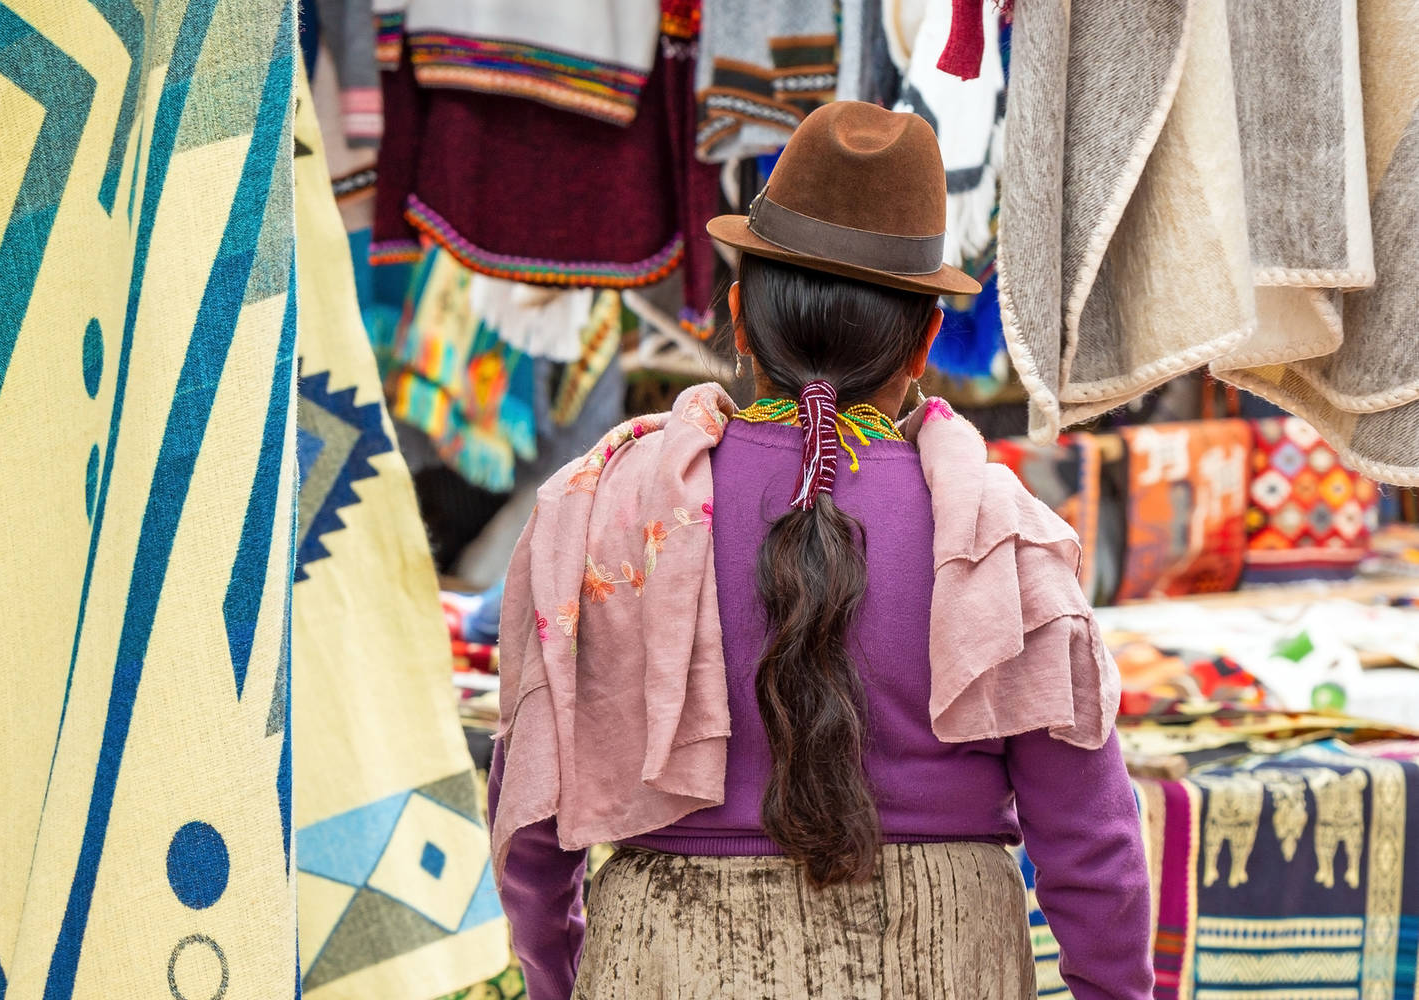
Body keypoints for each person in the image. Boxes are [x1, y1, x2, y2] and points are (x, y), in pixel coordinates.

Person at [487, 102, 1152, 999]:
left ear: (738, 315)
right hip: (943, 959)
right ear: (924, 341)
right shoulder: (1000, 535)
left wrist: (559, 975)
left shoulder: (606, 510)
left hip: (664, 956)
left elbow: (529, 810)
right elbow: (1091, 843)